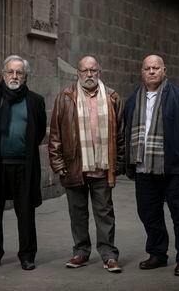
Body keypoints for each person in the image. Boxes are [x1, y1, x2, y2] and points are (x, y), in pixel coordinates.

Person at [124, 54, 179, 276]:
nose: (151, 71)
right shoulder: (132, 100)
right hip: (144, 168)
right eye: (147, 68)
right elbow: (126, 133)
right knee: (148, 213)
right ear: (142, 72)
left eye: (156, 68)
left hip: (176, 168)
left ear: (164, 70)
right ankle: (158, 253)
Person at [48, 55, 124, 273]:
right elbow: (55, 134)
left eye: (93, 70)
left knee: (104, 212)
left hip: (102, 168)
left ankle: (109, 254)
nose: (89, 74)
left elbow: (120, 135)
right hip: (74, 166)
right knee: (77, 212)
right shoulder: (64, 97)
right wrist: (58, 162)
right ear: (78, 73)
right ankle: (81, 251)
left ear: (99, 72)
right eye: (84, 71)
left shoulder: (112, 97)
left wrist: (118, 164)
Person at [0, 55, 46, 271]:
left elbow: (39, 132)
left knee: (26, 213)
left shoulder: (35, 101)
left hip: (24, 166)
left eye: (19, 72)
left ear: (25, 76)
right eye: (10, 72)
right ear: (2, 74)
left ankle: (27, 255)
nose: (14, 76)